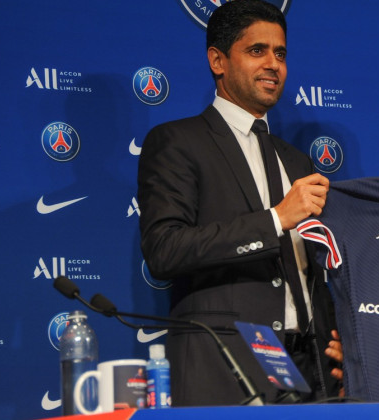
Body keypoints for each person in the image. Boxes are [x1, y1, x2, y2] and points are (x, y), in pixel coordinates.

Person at [138, 0, 340, 406]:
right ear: (218, 60)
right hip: (225, 363)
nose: (273, 64)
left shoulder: (296, 160)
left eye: (280, 54)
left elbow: (311, 267)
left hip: (309, 369)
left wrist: (334, 335)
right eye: (256, 51)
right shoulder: (178, 142)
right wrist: (275, 219)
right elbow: (165, 250)